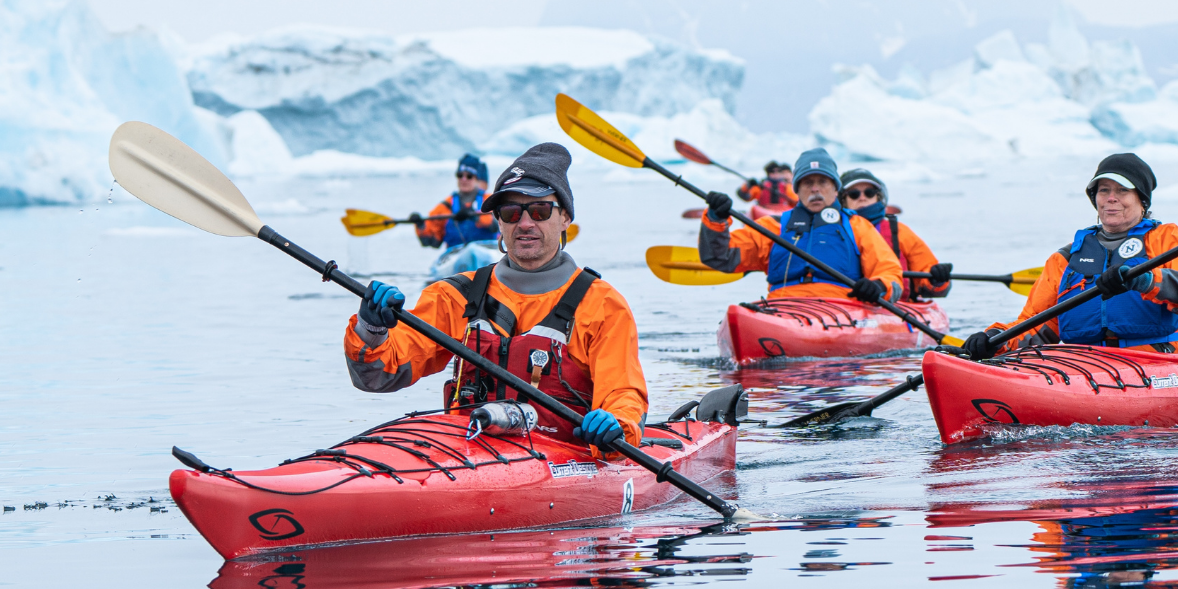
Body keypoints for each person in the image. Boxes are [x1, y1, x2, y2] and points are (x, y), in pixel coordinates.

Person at [347, 143, 648, 449]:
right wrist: (371, 329)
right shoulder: (455, 295)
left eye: (540, 210)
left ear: (565, 218)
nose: (525, 223)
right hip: (466, 455)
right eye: (511, 212)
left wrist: (617, 427)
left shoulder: (602, 305)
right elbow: (376, 377)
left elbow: (623, 395)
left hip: (564, 459)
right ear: (499, 222)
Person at [960, 153, 1178, 359]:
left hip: (1160, 361)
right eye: (1103, 190)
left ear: (1142, 200)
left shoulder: (1167, 240)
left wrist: (1148, 281)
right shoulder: (1066, 258)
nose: (1111, 199)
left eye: (1122, 191)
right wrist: (995, 339)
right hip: (1087, 364)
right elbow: (1038, 325)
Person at [698, 148, 902, 304]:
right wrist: (715, 219)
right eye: (807, 182)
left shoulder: (858, 227)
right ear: (797, 189)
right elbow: (719, 257)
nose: (815, 189)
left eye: (822, 181)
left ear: (834, 189)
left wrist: (878, 286)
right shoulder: (772, 227)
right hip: (782, 307)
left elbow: (890, 273)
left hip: (841, 307)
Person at [839, 167, 952, 300]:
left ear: (878, 196)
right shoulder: (833, 231)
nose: (862, 198)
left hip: (898, 309)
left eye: (869, 192)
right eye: (854, 194)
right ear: (843, 199)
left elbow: (925, 273)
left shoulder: (899, 232)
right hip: (849, 306)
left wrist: (937, 278)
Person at [418, 153, 499, 267]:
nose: (464, 179)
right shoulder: (446, 206)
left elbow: (496, 226)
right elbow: (432, 242)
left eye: (469, 176)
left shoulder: (490, 201)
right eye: (460, 175)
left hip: (488, 252)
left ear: (477, 179)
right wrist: (420, 226)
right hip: (454, 256)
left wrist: (474, 216)